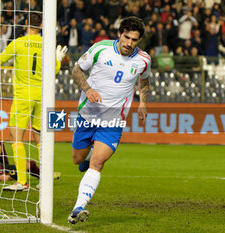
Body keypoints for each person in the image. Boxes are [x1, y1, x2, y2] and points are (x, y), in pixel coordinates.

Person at [67, 16, 151, 224]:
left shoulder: (144, 59)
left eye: (134, 40)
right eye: (126, 37)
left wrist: (143, 103)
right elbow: (76, 70)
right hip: (88, 115)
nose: (128, 43)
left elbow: (144, 81)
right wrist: (88, 89)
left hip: (113, 121)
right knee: (78, 159)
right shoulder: (100, 49)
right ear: (119, 33)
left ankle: (79, 207)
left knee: (98, 162)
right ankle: (85, 159)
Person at [0, 13, 67, 191]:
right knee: (40, 138)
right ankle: (44, 180)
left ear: (26, 24)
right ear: (43, 26)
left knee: (15, 137)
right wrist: (58, 60)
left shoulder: (18, 43)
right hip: (42, 96)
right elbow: (53, 71)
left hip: (24, 96)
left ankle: (22, 182)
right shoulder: (47, 45)